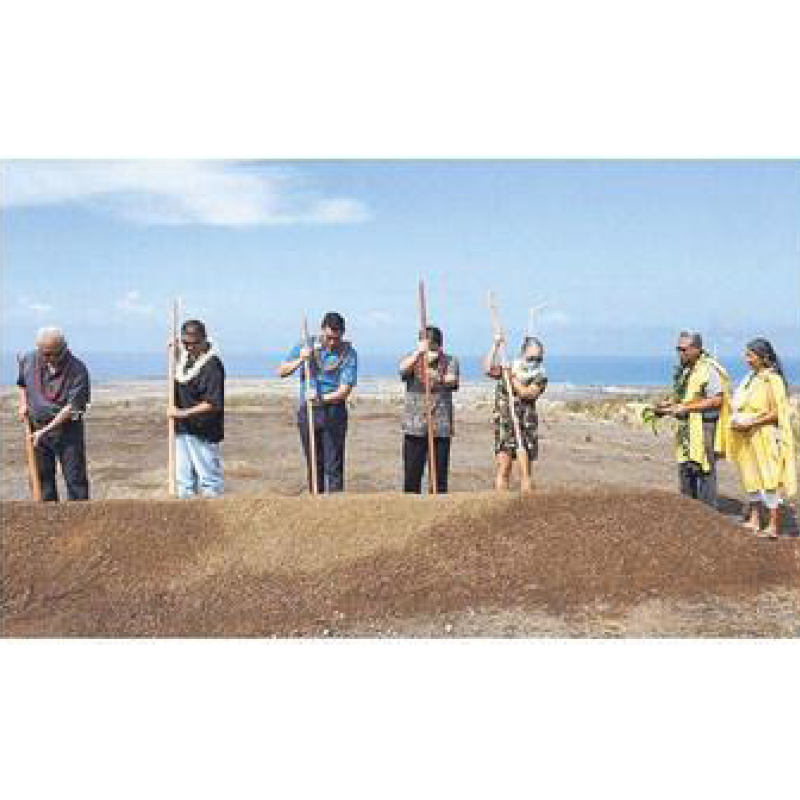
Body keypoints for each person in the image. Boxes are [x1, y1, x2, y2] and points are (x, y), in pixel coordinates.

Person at [278, 312, 357, 493]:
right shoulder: (305, 345)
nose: (332, 342)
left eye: (336, 338)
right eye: (328, 337)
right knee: (314, 463)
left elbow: (344, 391)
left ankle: (335, 506)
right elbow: (281, 371)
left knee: (333, 465)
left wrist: (320, 399)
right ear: (322, 330)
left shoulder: (349, 354)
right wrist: (301, 359)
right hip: (309, 412)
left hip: (334, 411)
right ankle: (315, 504)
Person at [727, 338, 796, 538]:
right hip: (747, 436)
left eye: (750, 355)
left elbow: (777, 412)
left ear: (763, 357)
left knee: (769, 479)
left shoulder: (772, 379)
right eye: (746, 355)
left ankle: (774, 525)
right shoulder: (751, 379)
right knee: (750, 477)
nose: (746, 359)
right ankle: (755, 519)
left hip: (765, 436)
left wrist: (751, 422)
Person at [655, 331, 731, 508]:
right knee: (686, 468)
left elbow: (717, 399)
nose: (680, 353)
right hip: (685, 427)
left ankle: (708, 513)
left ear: (697, 349)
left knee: (703, 469)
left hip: (704, 426)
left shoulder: (709, 369)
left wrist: (686, 407)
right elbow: (684, 397)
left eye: (684, 349)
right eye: (678, 349)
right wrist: (667, 407)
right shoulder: (686, 369)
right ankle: (689, 511)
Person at [16, 327, 91, 501]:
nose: (51, 358)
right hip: (36, 427)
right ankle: (48, 522)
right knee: (43, 482)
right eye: (46, 354)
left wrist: (45, 431)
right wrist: (23, 404)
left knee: (75, 479)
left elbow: (71, 408)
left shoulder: (78, 369)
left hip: (68, 429)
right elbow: (22, 384)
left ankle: (79, 520)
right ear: (39, 349)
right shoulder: (28, 359)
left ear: (64, 348)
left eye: (55, 354)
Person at [399, 326, 460, 494]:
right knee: (411, 475)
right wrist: (419, 353)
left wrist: (437, 376)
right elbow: (402, 369)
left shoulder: (449, 360)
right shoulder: (412, 359)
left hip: (440, 426)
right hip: (414, 426)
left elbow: (453, 379)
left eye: (431, 346)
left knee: (439, 477)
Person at [169, 319, 225, 498]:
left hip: (204, 431)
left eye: (193, 343)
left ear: (203, 340)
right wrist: (173, 351)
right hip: (182, 429)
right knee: (184, 481)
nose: (189, 347)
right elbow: (180, 374)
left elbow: (213, 403)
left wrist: (182, 413)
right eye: (185, 343)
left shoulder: (212, 366)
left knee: (209, 480)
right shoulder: (185, 360)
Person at [485, 334, 547, 492]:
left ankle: (527, 504)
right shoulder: (509, 366)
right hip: (506, 423)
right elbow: (487, 368)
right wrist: (496, 345)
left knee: (525, 472)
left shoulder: (540, 376)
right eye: (531, 357)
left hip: (526, 424)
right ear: (523, 354)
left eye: (539, 359)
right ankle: (500, 502)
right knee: (504, 468)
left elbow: (527, 393)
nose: (535, 362)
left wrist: (510, 377)